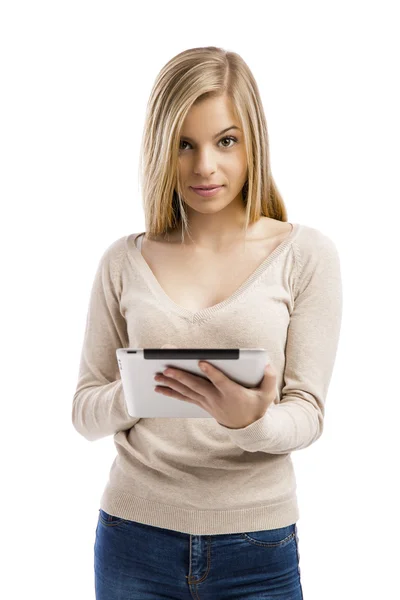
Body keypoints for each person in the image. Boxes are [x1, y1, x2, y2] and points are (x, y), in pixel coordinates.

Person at [72, 46, 342, 599]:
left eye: (226, 141)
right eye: (184, 145)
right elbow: (84, 412)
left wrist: (252, 423)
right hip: (133, 538)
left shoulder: (305, 254)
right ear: (160, 150)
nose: (204, 167)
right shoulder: (123, 261)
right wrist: (136, 393)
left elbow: (308, 413)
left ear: (253, 143)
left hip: (257, 547)